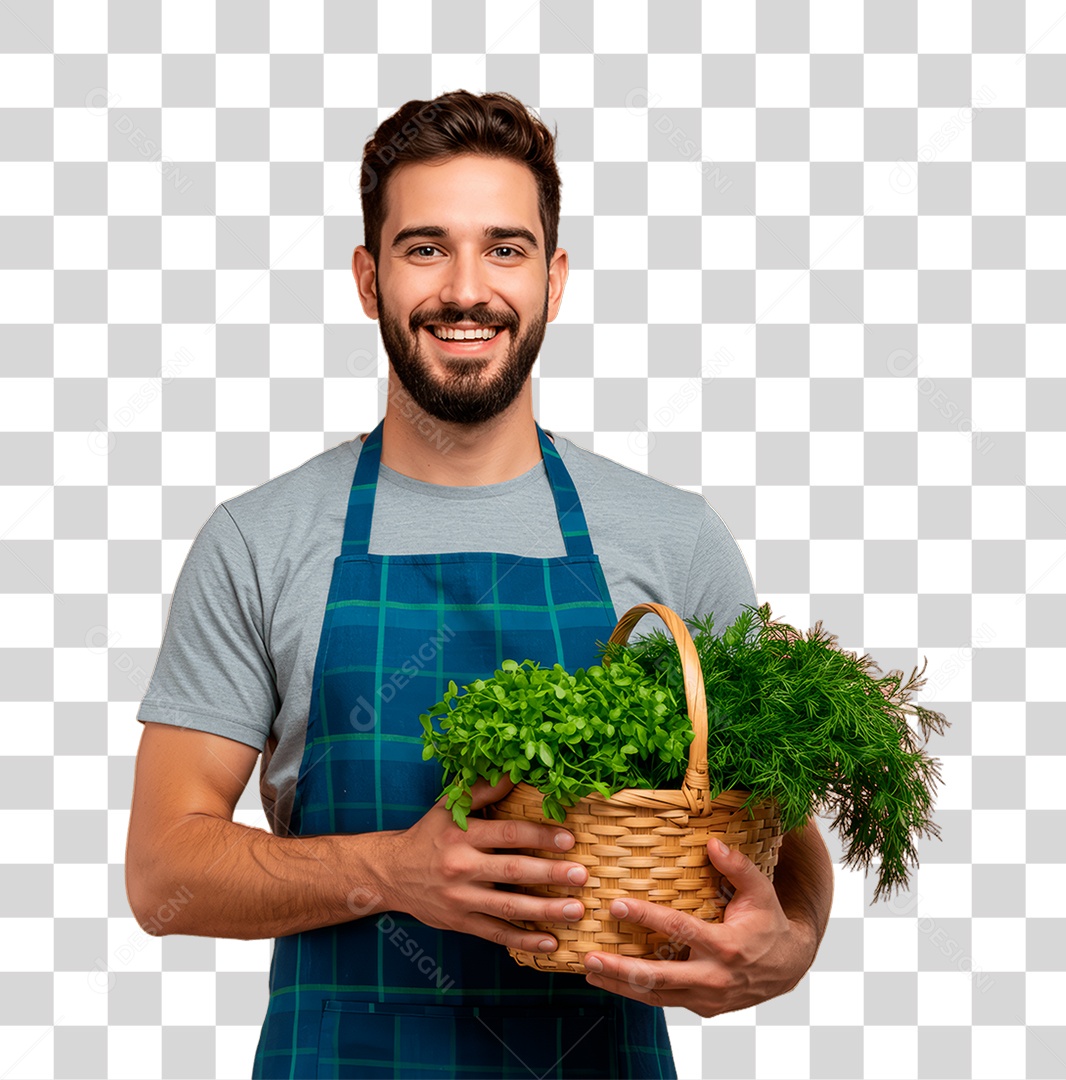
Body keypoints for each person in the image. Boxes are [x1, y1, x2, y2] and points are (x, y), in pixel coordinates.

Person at [126, 89, 834, 1079]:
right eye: (425, 248)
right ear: (369, 280)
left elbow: (781, 830)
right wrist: (392, 873)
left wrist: (790, 943)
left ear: (554, 278)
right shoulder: (261, 539)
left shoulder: (672, 538)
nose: (468, 290)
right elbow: (164, 877)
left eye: (505, 249)